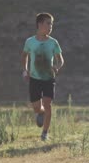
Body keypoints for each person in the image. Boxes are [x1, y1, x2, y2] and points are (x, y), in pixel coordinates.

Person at [21, 13, 64, 141]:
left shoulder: (53, 42)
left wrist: (57, 66)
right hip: (34, 79)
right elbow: (24, 56)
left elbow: (60, 59)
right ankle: (41, 112)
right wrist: (25, 70)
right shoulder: (30, 41)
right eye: (48, 23)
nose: (50, 26)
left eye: (51, 24)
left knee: (48, 104)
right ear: (39, 24)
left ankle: (45, 133)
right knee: (36, 107)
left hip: (49, 79)